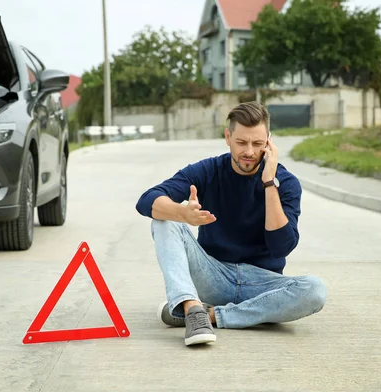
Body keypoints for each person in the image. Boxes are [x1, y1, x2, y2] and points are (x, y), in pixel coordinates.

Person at [135, 101, 327, 346]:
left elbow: (281, 247)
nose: (249, 151)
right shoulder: (208, 170)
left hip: (262, 282)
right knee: (164, 220)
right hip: (213, 274)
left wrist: (269, 183)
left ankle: (207, 316)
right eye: (241, 142)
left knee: (315, 290)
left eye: (257, 144)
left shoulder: (286, 183)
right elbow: (146, 200)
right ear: (228, 137)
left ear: (268, 142)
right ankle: (193, 306)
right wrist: (183, 214)